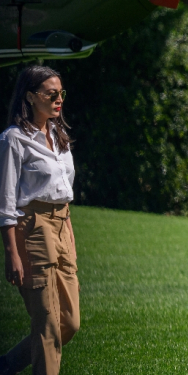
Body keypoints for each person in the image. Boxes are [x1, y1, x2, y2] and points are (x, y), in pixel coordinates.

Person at [0, 66, 79, 375]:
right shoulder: (14, 139)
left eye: (61, 93)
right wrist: (12, 254)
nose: (59, 99)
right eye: (51, 94)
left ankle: (7, 365)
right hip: (32, 228)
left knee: (69, 323)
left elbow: (65, 193)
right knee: (46, 323)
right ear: (31, 97)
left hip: (63, 226)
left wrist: (69, 233)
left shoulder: (61, 137)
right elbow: (6, 202)